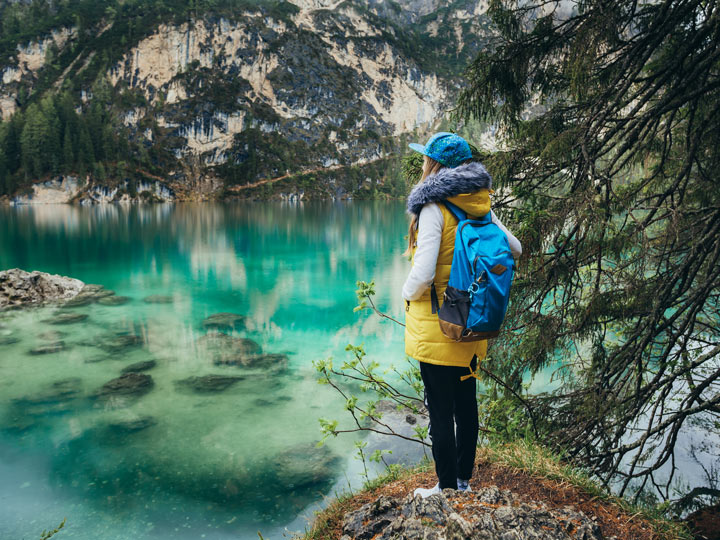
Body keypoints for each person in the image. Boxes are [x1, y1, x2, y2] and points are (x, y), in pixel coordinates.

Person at [402, 132, 522, 498]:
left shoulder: (433, 208)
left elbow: (422, 275)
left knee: (439, 409)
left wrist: (404, 294)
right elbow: (515, 249)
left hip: (438, 324)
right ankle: (464, 480)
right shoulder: (478, 205)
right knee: (465, 404)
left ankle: (445, 486)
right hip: (472, 321)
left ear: (433, 165)